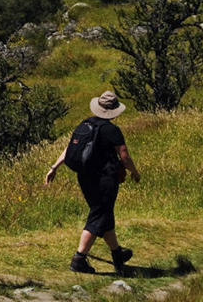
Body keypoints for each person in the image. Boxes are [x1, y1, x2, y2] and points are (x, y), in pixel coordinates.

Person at [44, 91, 140, 275]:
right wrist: (135, 173)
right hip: (105, 179)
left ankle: (117, 254)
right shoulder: (112, 130)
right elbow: (125, 157)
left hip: (85, 177)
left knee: (103, 214)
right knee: (98, 216)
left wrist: (54, 167)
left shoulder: (85, 124)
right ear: (114, 111)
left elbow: (70, 148)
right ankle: (79, 259)